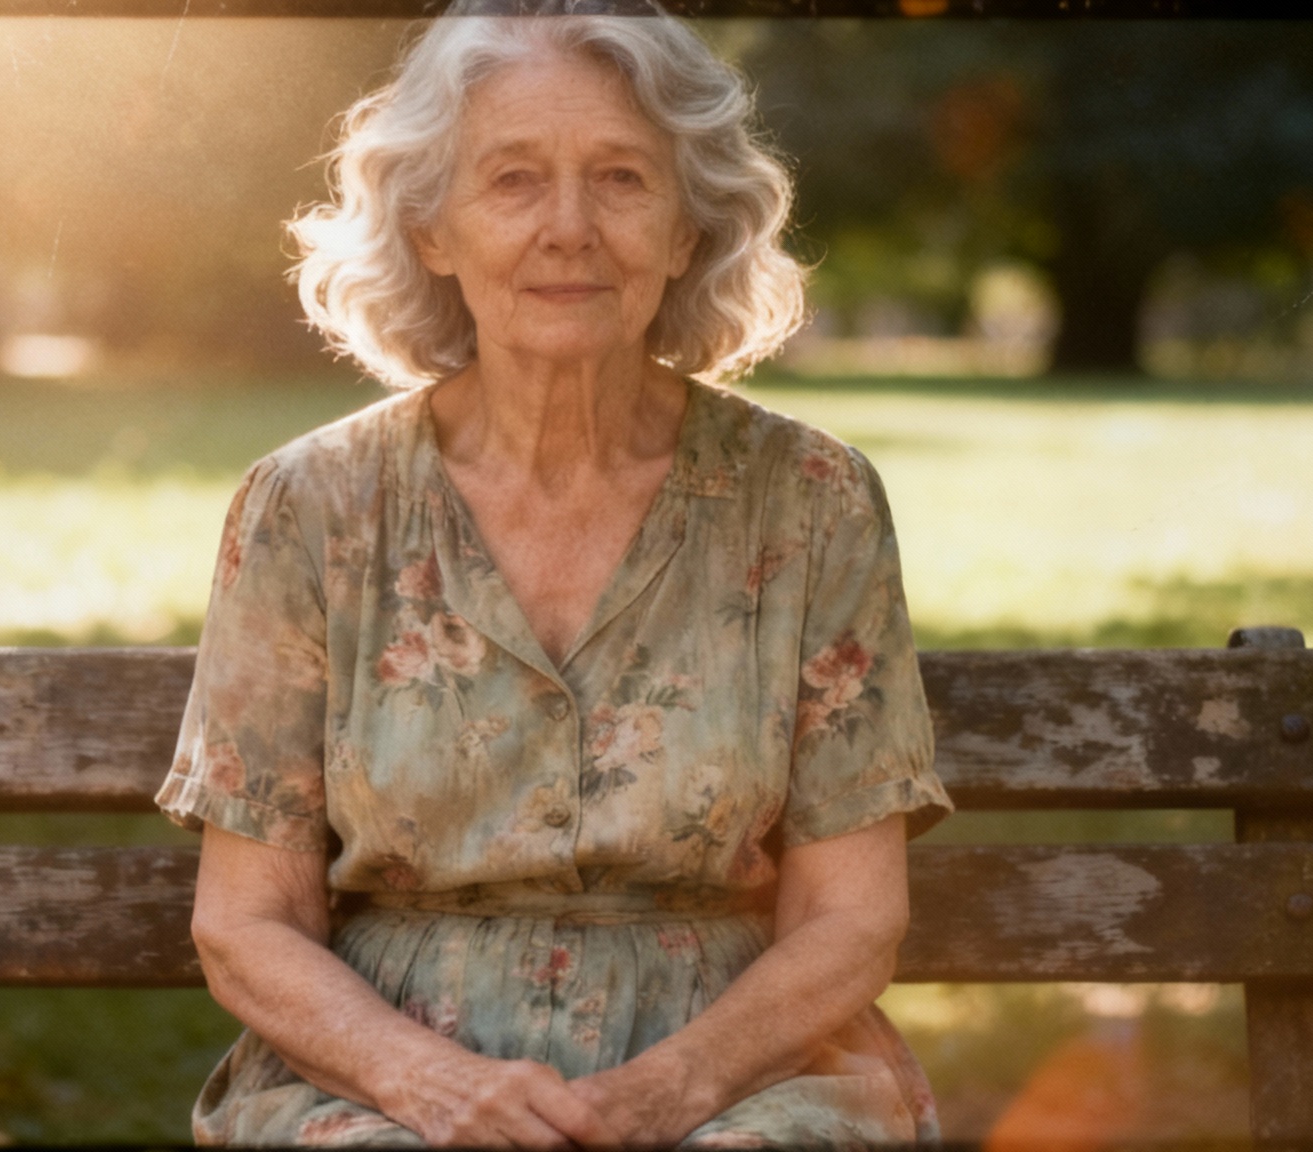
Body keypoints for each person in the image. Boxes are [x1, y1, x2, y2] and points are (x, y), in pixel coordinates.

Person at [153, 2, 954, 1145]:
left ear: (687, 229)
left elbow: (851, 918)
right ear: (432, 228)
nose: (568, 228)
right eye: (513, 180)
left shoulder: (812, 500)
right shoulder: (308, 506)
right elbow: (247, 922)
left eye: (622, 179)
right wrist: (429, 1086)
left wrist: (667, 1094)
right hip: (384, 1075)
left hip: (741, 1067)